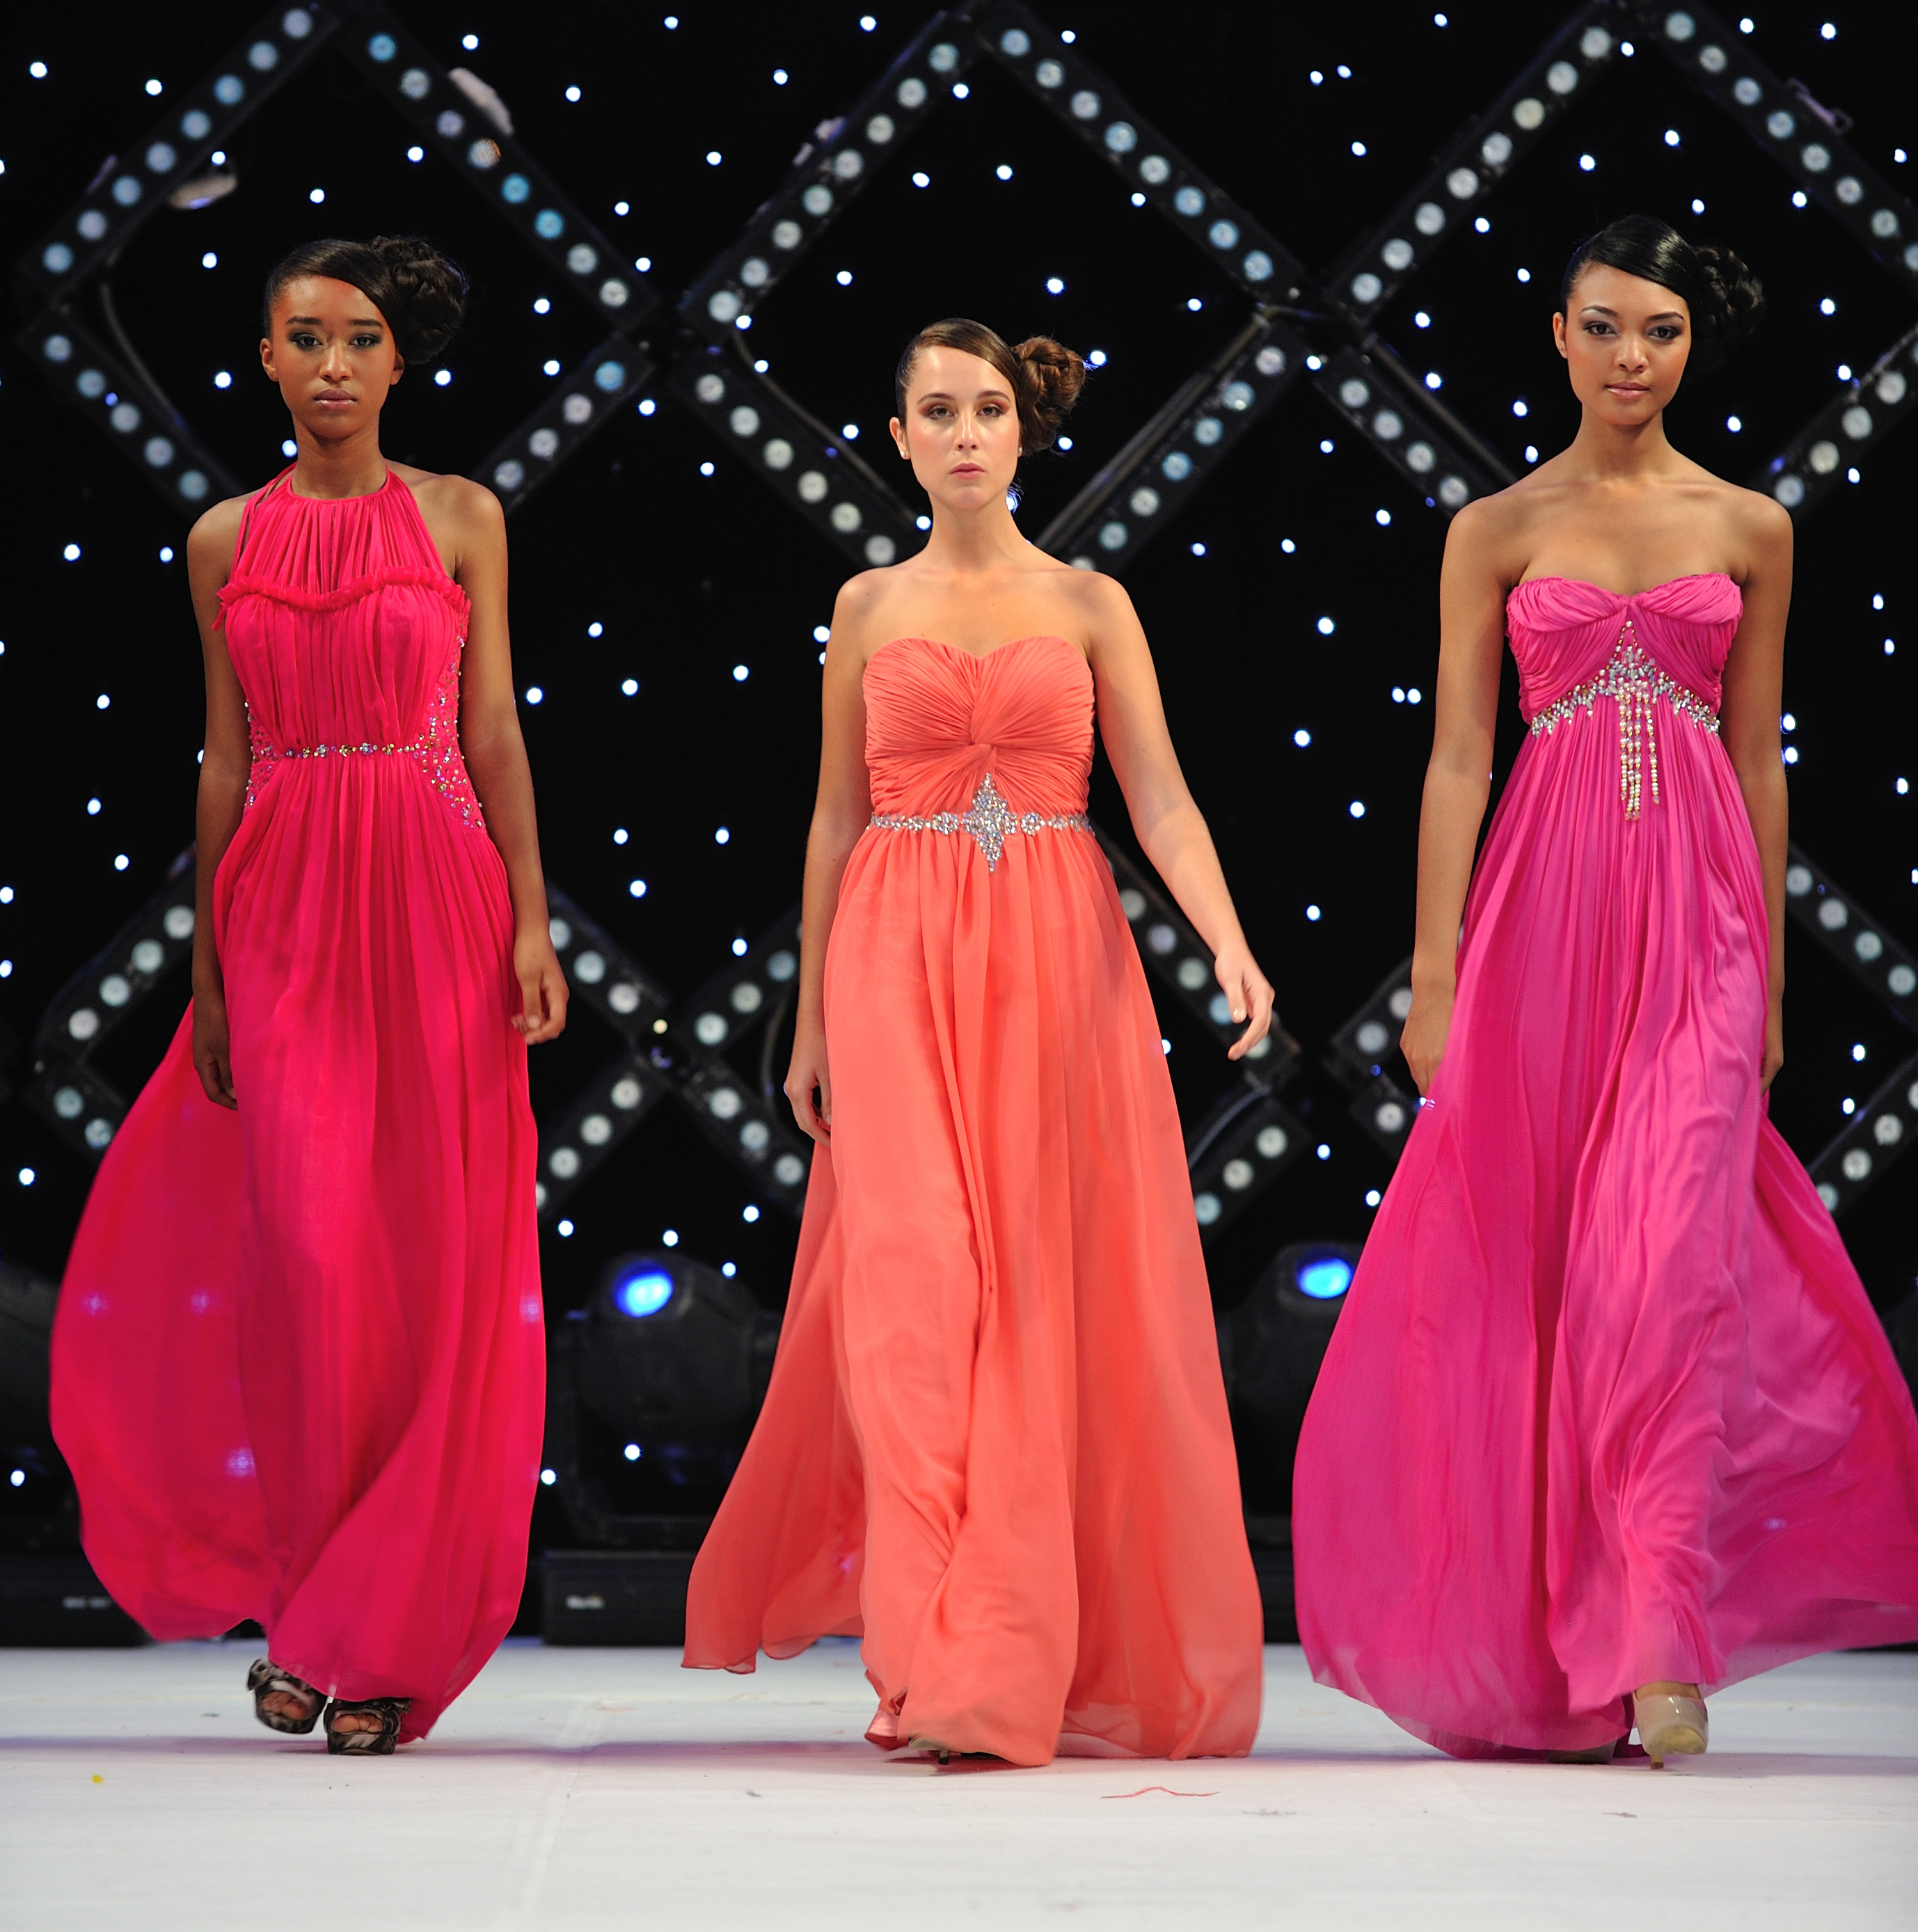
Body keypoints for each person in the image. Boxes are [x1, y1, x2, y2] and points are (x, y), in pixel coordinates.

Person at [1294, 215, 1918, 1767]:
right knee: (1548, 1270)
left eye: (1661, 330)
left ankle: (1656, 1637)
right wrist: (1431, 974)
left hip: (1700, 925)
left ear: (1692, 348)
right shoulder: (1495, 528)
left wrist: (1772, 976)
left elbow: (1759, 757)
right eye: (1604, 325)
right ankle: (1550, 1633)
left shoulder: (1750, 525)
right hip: (1538, 923)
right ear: (1559, 336)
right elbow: (1457, 756)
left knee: (1664, 1272)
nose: (1631, 356)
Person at [683, 319, 1272, 1766]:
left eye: (987, 408)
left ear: (1022, 430)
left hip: (1056, 960)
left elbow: (1161, 797)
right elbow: (834, 815)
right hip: (892, 953)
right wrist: (809, 1014)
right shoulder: (867, 603)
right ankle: (931, 1651)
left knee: (1039, 1303)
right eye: (937, 411)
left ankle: (991, 1661)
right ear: (897, 438)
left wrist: (1225, 938)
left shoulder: (1089, 600)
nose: (964, 433)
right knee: (914, 1297)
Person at [50, 236, 566, 1756]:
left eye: (359, 338)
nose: (333, 363)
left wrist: (532, 920)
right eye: (305, 336)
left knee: (425, 1272)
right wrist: (208, 973)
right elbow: (222, 759)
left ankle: (380, 1633)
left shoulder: (461, 516)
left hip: (436, 892)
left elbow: (494, 730)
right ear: (266, 356)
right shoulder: (224, 538)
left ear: (398, 362)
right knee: (311, 1264)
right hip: (282, 902)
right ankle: (308, 1604)